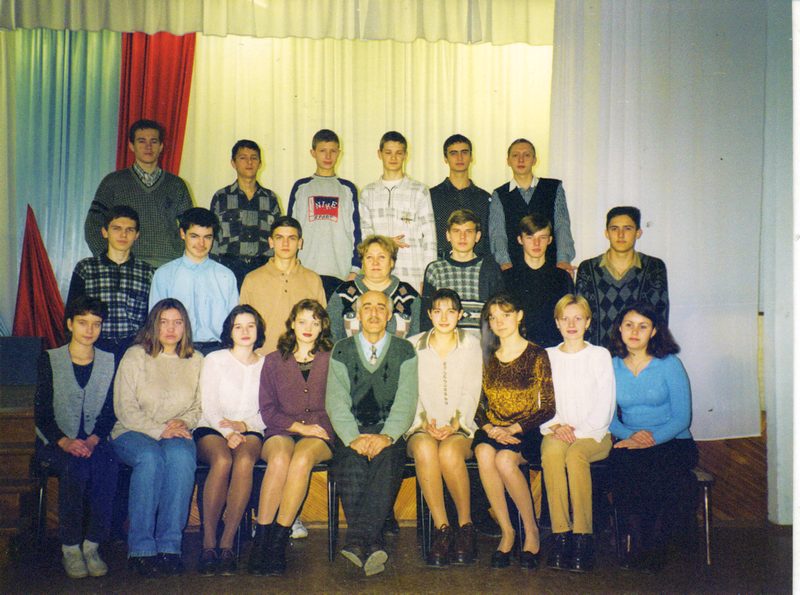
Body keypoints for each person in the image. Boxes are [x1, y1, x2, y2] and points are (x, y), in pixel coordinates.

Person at [325, 290, 418, 577]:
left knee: (387, 458)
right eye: (367, 307)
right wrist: (352, 437)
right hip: (352, 430)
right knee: (350, 461)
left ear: (389, 315)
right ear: (358, 314)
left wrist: (387, 436)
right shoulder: (341, 349)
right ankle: (373, 541)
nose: (374, 313)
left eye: (380, 307)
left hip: (388, 431)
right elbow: (336, 401)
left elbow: (406, 401)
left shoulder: (405, 350)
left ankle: (356, 541)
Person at [111, 298, 203, 577]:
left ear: (185, 327)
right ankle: (140, 549)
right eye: (164, 322)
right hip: (133, 431)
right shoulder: (135, 356)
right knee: (150, 458)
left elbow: (198, 406)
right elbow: (124, 408)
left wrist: (184, 422)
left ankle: (169, 547)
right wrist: (160, 429)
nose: (171, 329)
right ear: (154, 325)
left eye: (177, 322)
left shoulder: (196, 360)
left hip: (176, 431)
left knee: (182, 458)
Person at [608, 303, 697, 572]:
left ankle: (656, 546)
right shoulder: (611, 366)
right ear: (620, 329)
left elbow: (682, 418)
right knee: (621, 467)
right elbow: (608, 418)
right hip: (631, 440)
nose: (635, 331)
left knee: (658, 472)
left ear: (654, 331)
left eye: (643, 326)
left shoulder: (670, 364)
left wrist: (650, 439)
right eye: (629, 325)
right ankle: (638, 543)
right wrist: (631, 437)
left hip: (673, 441)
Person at [34, 296, 117, 579]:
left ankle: (92, 545)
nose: (89, 330)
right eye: (83, 322)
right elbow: (42, 413)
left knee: (107, 465)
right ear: (70, 324)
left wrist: (93, 440)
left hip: (94, 440)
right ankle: (70, 547)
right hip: (57, 441)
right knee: (75, 468)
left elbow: (110, 411)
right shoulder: (50, 359)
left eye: (96, 324)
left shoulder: (109, 361)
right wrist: (65, 442)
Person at [250, 299, 335, 576]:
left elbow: (339, 405)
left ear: (322, 327)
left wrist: (311, 429)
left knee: (301, 460)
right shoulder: (274, 361)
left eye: (315, 322)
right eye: (302, 321)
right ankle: (260, 541)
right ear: (292, 324)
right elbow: (267, 410)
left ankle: (277, 542)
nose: (308, 327)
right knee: (279, 459)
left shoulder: (333, 358)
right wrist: (298, 427)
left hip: (321, 432)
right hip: (281, 429)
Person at [473, 293, 555, 570]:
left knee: (505, 460)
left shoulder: (537, 354)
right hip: (493, 429)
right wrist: (492, 429)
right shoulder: (487, 357)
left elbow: (548, 407)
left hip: (526, 429)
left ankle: (531, 531)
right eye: (493, 317)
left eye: (505, 315)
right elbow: (477, 406)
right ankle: (507, 531)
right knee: (484, 453)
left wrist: (513, 428)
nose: (499, 322)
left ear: (519, 316)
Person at [406, 289, 482, 567]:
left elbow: (472, 389)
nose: (444, 317)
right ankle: (442, 529)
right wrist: (423, 422)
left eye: (451, 311)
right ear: (429, 314)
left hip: (460, 426)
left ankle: (465, 527)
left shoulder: (471, 344)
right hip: (422, 425)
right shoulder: (413, 345)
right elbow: (409, 391)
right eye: (438, 311)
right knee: (425, 449)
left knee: (449, 453)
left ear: (460, 314)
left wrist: (455, 424)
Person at [540, 294, 615, 572]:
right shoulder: (547, 356)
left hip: (594, 434)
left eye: (578, 318)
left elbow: (605, 403)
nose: (571, 324)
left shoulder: (599, 355)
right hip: (557, 430)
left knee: (575, 456)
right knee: (551, 455)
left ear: (588, 322)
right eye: (565, 319)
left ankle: (583, 536)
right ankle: (561, 535)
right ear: (557, 323)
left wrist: (579, 431)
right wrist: (556, 425)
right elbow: (541, 400)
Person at [195, 305, 266, 576]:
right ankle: (208, 544)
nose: (245, 331)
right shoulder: (215, 359)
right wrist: (228, 433)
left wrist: (245, 427)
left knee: (245, 461)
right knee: (223, 460)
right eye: (238, 326)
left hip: (250, 428)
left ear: (258, 330)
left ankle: (227, 544)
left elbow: (268, 410)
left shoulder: (267, 365)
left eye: (250, 326)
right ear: (230, 331)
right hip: (213, 427)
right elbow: (208, 405)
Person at [84, 119, 193, 268]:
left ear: (161, 146)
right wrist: (108, 260)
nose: (148, 146)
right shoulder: (113, 183)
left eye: (154, 141)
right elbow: (93, 225)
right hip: (127, 265)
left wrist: (186, 262)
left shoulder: (176, 185)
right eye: (141, 141)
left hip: (169, 266)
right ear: (131, 145)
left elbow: (191, 227)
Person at [67, 205, 154, 361]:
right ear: (105, 232)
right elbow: (71, 312)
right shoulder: (86, 268)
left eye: (130, 230)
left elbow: (151, 317)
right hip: (94, 346)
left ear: (137, 235)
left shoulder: (147, 272)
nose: (123, 234)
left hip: (134, 349)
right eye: (116, 228)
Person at [576, 206, 670, 348]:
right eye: (614, 229)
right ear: (606, 233)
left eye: (627, 228)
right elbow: (580, 318)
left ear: (638, 233)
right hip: (598, 355)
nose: (620, 235)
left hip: (639, 355)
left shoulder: (654, 267)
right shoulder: (587, 268)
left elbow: (659, 318)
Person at [149, 207, 238, 354]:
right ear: (182, 234)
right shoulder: (164, 274)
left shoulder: (226, 276)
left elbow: (235, 322)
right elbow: (155, 321)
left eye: (207, 237)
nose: (201, 243)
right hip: (176, 349)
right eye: (195, 236)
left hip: (217, 350)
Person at [287, 129, 361, 298]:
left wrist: (355, 269)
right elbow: (290, 231)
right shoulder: (301, 187)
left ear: (339, 153)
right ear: (313, 153)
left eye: (333, 151)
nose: (328, 156)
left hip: (340, 273)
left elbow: (356, 232)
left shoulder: (348, 189)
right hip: (305, 272)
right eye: (322, 151)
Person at [360, 131, 437, 291]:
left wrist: (428, 277)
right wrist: (386, 242)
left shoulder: (419, 191)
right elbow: (365, 234)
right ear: (379, 154)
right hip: (377, 276)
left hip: (412, 274)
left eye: (398, 153)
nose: (393, 158)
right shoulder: (368, 192)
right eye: (388, 152)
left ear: (405, 155)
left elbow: (429, 239)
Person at [240, 216, 326, 355]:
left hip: (302, 358)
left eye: (292, 238)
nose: (285, 243)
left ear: (300, 243)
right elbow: (243, 325)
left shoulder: (313, 280)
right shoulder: (252, 279)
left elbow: (321, 325)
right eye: (279, 238)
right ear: (271, 242)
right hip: (263, 358)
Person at [488, 138, 575, 273]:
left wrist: (563, 259)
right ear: (508, 161)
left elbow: (562, 226)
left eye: (527, 155)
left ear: (534, 160)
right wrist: (504, 262)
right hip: (513, 268)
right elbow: (497, 233)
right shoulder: (499, 194)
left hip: (550, 265)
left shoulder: (553, 188)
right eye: (515, 155)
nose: (521, 160)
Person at [210, 139, 281, 288]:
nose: (249, 162)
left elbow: (278, 237)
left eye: (254, 158)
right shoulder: (221, 197)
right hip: (229, 268)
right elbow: (213, 237)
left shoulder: (270, 198)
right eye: (243, 158)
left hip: (263, 269)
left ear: (260, 163)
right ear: (233, 163)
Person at [421, 209, 503, 333]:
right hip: (444, 341)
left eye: (468, 231)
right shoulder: (435, 270)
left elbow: (498, 313)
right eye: (456, 231)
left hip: (480, 341)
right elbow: (426, 317)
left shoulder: (489, 269)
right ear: (448, 236)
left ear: (477, 236)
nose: (462, 237)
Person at [327, 234, 421, 341]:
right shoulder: (343, 293)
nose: (375, 262)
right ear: (362, 262)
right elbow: (330, 338)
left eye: (381, 257)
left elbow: (417, 339)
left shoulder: (409, 295)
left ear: (392, 262)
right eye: (369, 257)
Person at [504, 214, 574, 348]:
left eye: (542, 237)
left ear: (550, 240)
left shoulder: (562, 277)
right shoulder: (507, 277)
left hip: (554, 348)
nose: (536, 243)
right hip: (518, 349)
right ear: (520, 240)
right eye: (530, 237)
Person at [430, 134, 492, 259]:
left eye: (464, 152)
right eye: (453, 153)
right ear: (445, 158)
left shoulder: (484, 198)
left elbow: (489, 240)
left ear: (471, 157)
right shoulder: (431, 196)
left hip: (477, 265)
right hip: (441, 264)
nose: (459, 157)